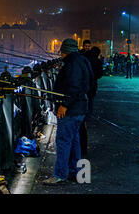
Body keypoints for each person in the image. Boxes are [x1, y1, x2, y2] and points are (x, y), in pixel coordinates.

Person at [43, 38, 93, 185]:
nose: (61, 55)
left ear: (65, 51)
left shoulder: (73, 63)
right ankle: (75, 171)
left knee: (63, 141)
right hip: (79, 108)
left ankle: (59, 174)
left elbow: (74, 86)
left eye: (62, 52)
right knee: (74, 140)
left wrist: (64, 104)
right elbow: (87, 83)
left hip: (71, 110)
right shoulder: (82, 60)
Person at [80, 46, 103, 157]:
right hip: (92, 85)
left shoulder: (85, 59)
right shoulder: (97, 62)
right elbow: (100, 74)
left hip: (85, 87)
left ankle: (85, 114)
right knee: (91, 100)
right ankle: (88, 114)